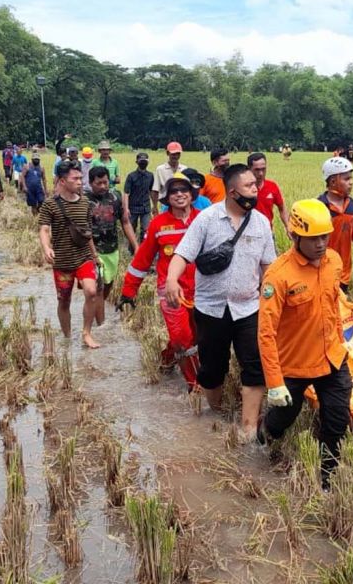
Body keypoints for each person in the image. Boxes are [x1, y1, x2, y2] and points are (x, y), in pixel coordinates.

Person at [165, 163, 276, 439]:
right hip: (211, 309)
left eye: (255, 184)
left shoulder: (261, 223)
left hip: (249, 307)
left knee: (254, 367)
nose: (256, 189)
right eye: (249, 185)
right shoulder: (207, 219)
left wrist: (274, 300)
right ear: (232, 190)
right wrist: (171, 280)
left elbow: (269, 268)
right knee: (213, 370)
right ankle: (214, 416)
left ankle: (248, 429)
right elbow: (182, 254)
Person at [257, 200, 352, 489]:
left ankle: (327, 477)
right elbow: (266, 333)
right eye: (313, 239)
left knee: (337, 420)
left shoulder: (334, 261)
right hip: (294, 366)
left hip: (332, 359)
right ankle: (266, 430)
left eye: (325, 236)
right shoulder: (279, 275)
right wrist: (274, 382)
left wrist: (340, 342)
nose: (322, 244)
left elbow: (334, 306)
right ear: (295, 236)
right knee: (284, 417)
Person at [119, 174, 201, 388]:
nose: (179, 194)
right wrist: (128, 291)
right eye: (174, 191)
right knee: (183, 338)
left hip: (202, 292)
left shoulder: (203, 220)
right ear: (166, 197)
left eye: (184, 189)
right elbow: (142, 260)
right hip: (171, 292)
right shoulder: (158, 224)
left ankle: (167, 359)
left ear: (192, 195)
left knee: (199, 338)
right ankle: (195, 386)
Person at [38, 162, 101, 348]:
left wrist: (95, 256)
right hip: (63, 261)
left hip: (83, 258)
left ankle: (86, 333)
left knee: (91, 291)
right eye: (76, 179)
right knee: (64, 300)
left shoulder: (86, 204)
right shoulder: (50, 205)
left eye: (81, 178)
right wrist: (46, 247)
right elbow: (43, 229)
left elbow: (86, 233)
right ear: (63, 181)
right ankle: (66, 337)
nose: (81, 182)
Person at [87, 165, 138, 328]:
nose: (102, 186)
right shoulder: (84, 201)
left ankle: (95, 309)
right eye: (98, 183)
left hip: (112, 249)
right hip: (93, 250)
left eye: (105, 182)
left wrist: (136, 246)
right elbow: (83, 230)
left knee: (109, 284)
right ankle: (101, 327)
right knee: (99, 287)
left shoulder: (115, 197)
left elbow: (125, 222)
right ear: (90, 183)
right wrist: (93, 254)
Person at [318, 157, 353, 291]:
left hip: (343, 274)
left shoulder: (351, 204)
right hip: (323, 271)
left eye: (351, 178)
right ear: (333, 181)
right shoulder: (320, 207)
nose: (351, 183)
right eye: (346, 179)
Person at [123, 152, 154, 246]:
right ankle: (131, 248)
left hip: (146, 207)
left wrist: (154, 206)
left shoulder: (150, 175)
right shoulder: (131, 176)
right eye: (141, 161)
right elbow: (126, 193)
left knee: (146, 229)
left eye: (145, 161)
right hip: (133, 207)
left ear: (148, 162)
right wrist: (126, 208)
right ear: (136, 162)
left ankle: (143, 248)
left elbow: (151, 191)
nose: (143, 163)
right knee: (131, 228)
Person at [248, 152, 286, 228]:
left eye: (263, 169)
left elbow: (282, 208)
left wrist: (288, 227)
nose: (261, 173)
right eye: (257, 170)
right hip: (248, 235)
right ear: (249, 168)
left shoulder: (272, 186)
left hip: (268, 233)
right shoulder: (243, 187)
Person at [151, 141, 187, 210]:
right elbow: (155, 190)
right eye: (173, 154)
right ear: (167, 153)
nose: (176, 156)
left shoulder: (184, 169)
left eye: (178, 154)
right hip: (166, 205)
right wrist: (155, 207)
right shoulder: (160, 169)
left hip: (181, 203)